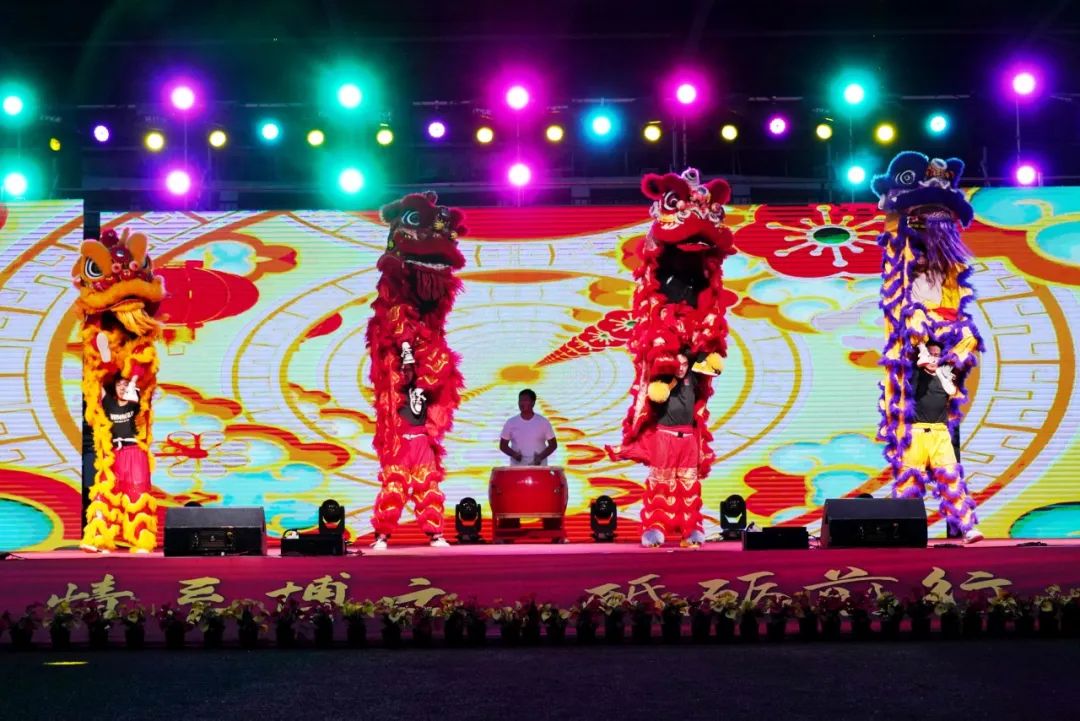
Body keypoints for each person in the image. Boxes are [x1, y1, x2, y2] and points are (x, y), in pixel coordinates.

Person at [892, 342, 983, 543]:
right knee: (907, 483)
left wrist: (942, 370)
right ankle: (896, 531)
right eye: (930, 354)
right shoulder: (914, 375)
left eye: (937, 355)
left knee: (952, 480)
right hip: (916, 435)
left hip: (940, 435)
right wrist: (921, 350)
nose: (933, 358)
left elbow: (952, 386)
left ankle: (967, 529)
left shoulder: (945, 376)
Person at [370, 363, 451, 550]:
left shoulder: (426, 387)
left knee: (428, 487)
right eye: (402, 368)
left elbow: (443, 375)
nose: (405, 372)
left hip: (421, 441)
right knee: (393, 487)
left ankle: (435, 534)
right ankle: (382, 536)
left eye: (409, 368)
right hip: (399, 444)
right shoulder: (391, 389)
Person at [81, 375, 157, 554]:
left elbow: (133, 394)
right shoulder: (109, 403)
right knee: (104, 495)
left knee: (137, 495)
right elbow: (96, 380)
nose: (122, 387)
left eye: (125, 384)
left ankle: (142, 542)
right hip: (113, 454)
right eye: (119, 384)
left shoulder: (134, 402)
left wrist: (133, 379)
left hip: (134, 453)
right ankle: (99, 541)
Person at [499, 389, 557, 466]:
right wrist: (514, 454)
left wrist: (540, 457)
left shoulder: (543, 422)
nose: (521, 403)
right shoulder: (511, 422)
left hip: (539, 468)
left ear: (533, 403)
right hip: (517, 468)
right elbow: (503, 445)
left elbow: (553, 445)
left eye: (525, 400)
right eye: (520, 400)